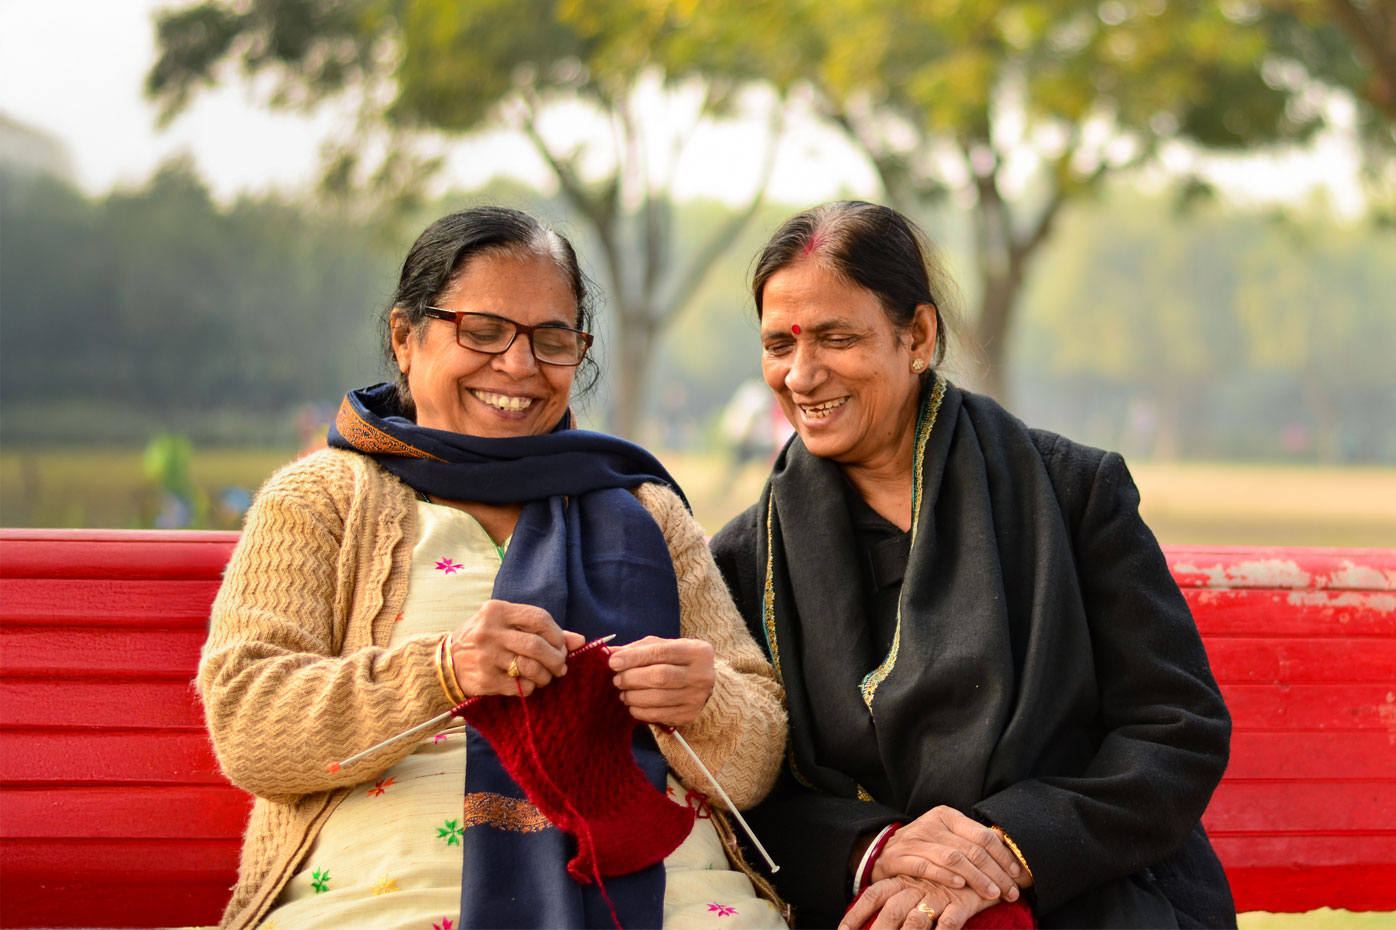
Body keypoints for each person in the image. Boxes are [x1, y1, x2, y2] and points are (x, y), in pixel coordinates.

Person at [200, 206, 789, 930]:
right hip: (390, 897)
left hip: (663, 896)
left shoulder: (646, 511)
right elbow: (247, 723)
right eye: (481, 332)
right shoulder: (324, 498)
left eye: (551, 340)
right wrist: (442, 671)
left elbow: (756, 755)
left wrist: (704, 700)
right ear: (404, 338)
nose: (518, 365)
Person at [710, 202, 1235, 930]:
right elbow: (745, 788)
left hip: (1088, 891)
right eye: (779, 346)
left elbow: (1176, 727)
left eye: (837, 338)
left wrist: (1006, 851)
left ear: (917, 335)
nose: (801, 374)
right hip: (873, 905)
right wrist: (881, 851)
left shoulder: (1070, 493)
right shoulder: (747, 561)